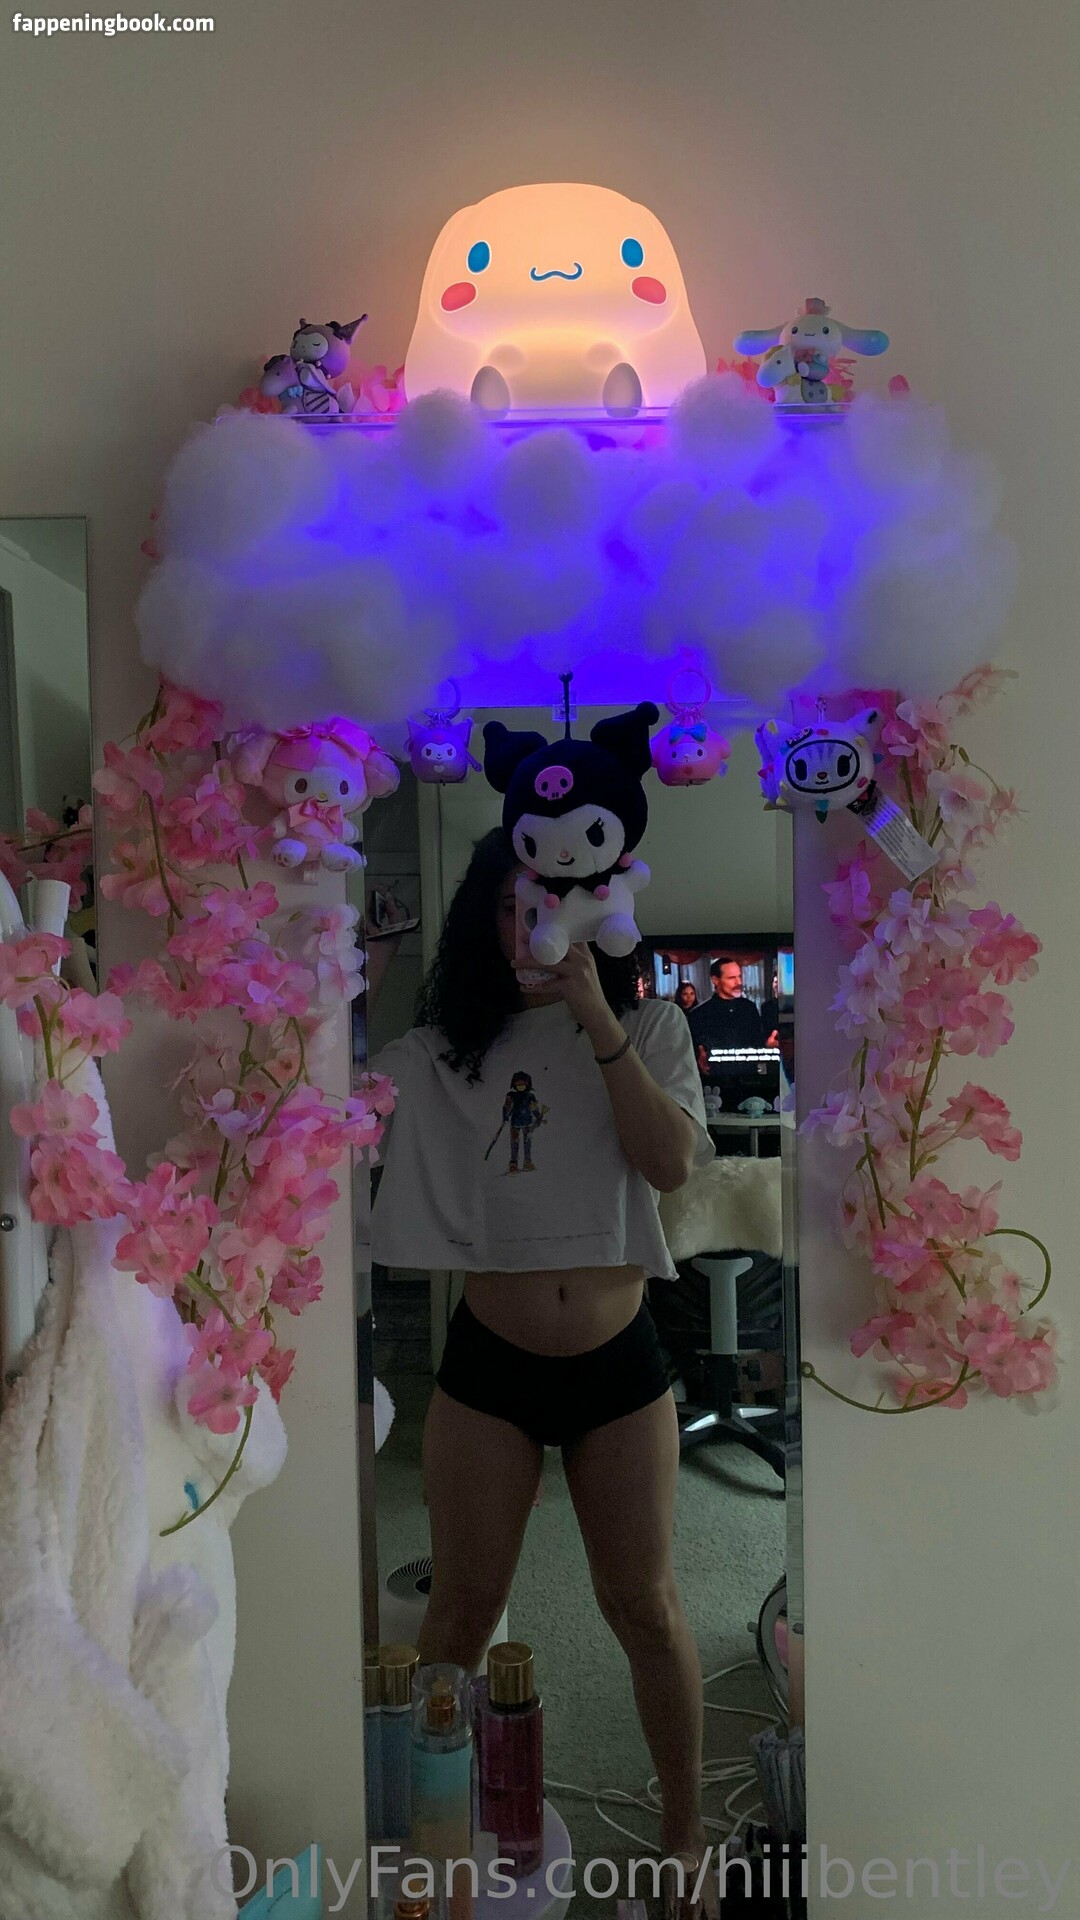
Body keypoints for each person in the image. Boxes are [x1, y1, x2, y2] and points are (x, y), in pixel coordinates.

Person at [367, 827, 717, 1899]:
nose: (530, 928)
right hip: (491, 1369)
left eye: (549, 905)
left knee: (645, 1605)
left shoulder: (650, 1024)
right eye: (508, 907)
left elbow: (670, 1162)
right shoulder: (447, 1048)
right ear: (484, 920)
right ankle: (425, 1834)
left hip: (620, 1364)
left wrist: (596, 1017)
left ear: (591, 909)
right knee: (460, 1613)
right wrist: (353, 977)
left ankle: (684, 1835)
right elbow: (332, 1104)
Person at [686, 958, 765, 1074]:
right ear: (715, 980)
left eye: (739, 976)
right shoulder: (699, 1014)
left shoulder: (749, 1008)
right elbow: (692, 1052)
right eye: (732, 978)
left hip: (749, 1077)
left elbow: (759, 1041)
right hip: (715, 1078)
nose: (738, 982)